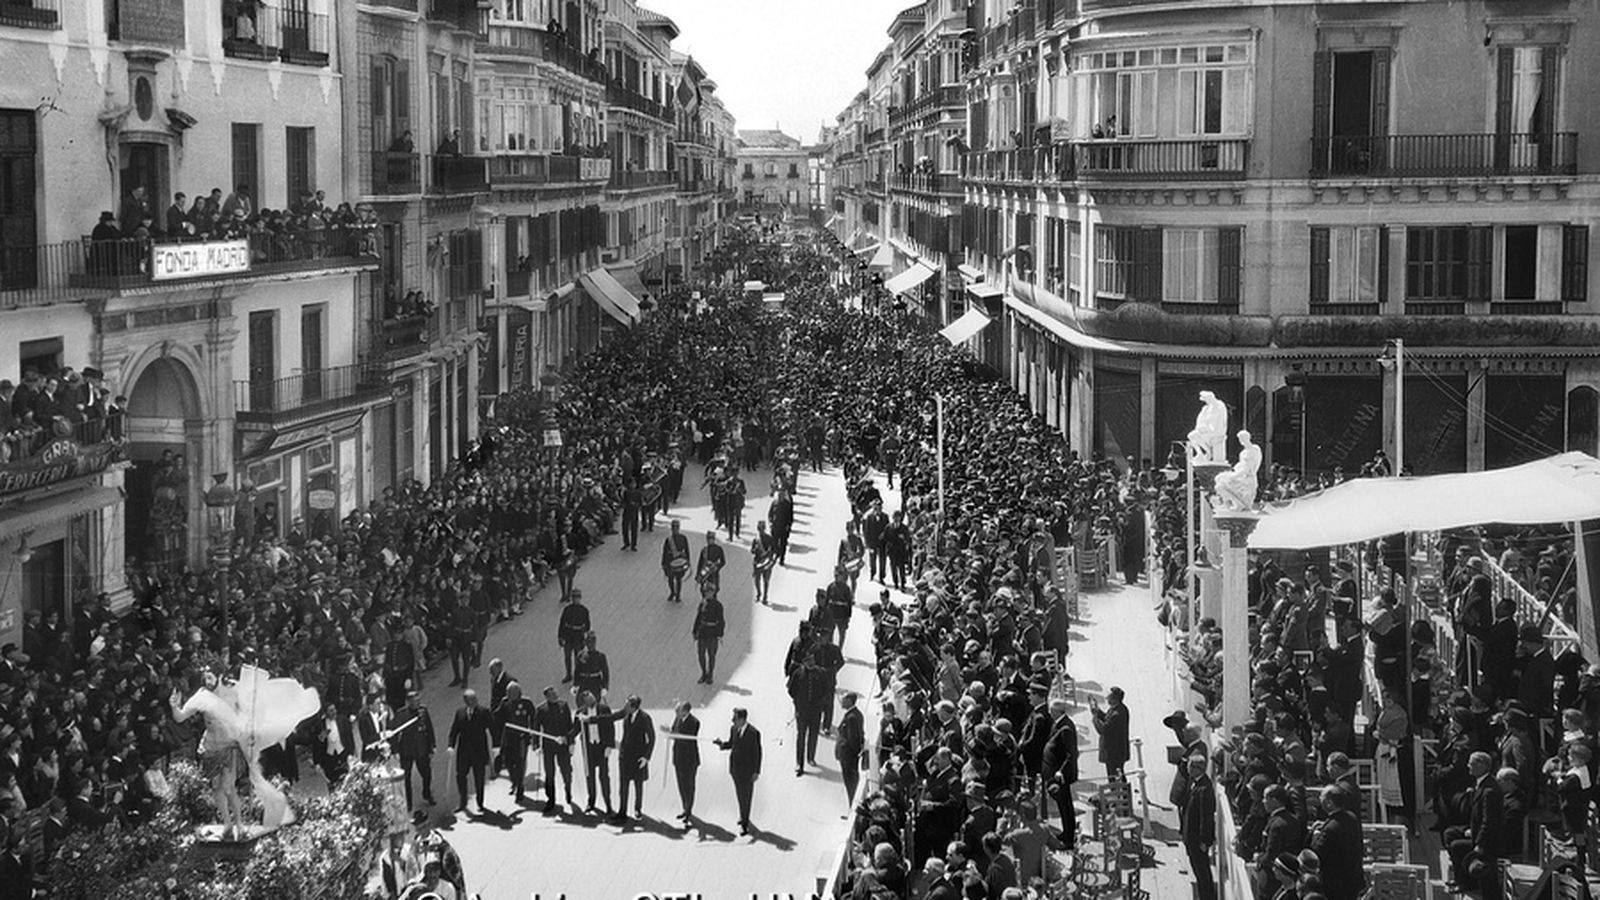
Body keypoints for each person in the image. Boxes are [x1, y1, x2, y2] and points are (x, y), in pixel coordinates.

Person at [714, 707, 762, 835]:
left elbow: (757, 753)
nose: (732, 721)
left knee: (746, 796)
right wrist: (722, 745)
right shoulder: (734, 729)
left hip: (747, 771)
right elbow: (732, 743)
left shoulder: (753, 733)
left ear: (742, 719)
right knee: (740, 794)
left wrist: (756, 771)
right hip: (735, 769)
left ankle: (745, 823)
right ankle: (742, 814)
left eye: (735, 718)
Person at [446, 688, 493, 815]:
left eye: (475, 699)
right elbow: (454, 730)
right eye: (470, 699)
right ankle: (463, 801)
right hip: (464, 753)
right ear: (465, 701)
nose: (473, 701)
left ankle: (480, 803)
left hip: (479, 752)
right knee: (460, 776)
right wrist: (451, 745)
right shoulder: (460, 712)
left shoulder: (483, 712)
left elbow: (493, 728)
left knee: (479, 778)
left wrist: (495, 747)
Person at [1178, 755, 1217, 900]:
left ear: (1197, 769)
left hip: (1197, 839)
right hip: (1190, 836)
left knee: (1202, 872)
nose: (1188, 769)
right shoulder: (1195, 783)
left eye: (1190, 767)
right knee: (1197, 870)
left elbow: (1206, 817)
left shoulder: (1204, 788)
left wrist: (1204, 841)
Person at [1041, 697, 1080, 842]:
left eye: (1051, 710)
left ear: (1057, 711)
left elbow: (1071, 754)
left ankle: (1069, 838)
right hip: (1054, 773)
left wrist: (1061, 771)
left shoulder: (1066, 728)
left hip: (1061, 777)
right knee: (1063, 806)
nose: (1049, 713)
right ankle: (1066, 832)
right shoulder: (1059, 723)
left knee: (1065, 806)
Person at [532, 685, 575, 814]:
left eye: (556, 693)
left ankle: (568, 790)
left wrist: (571, 742)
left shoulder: (564, 705)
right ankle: (551, 800)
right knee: (549, 774)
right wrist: (536, 745)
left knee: (566, 770)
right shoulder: (540, 709)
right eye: (552, 694)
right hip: (549, 746)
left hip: (563, 744)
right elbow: (536, 728)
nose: (556, 696)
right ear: (547, 697)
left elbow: (570, 725)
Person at [612, 694, 655, 822]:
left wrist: (646, 757)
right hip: (625, 757)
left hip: (638, 758)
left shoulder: (645, 718)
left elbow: (651, 738)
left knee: (638, 785)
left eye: (627, 704)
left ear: (633, 707)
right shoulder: (627, 716)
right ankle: (622, 810)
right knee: (623, 786)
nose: (624, 706)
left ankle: (637, 808)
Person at [394, 689, 437, 809]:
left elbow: (429, 728)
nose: (417, 704)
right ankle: (408, 803)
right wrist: (396, 750)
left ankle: (427, 794)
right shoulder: (401, 713)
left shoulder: (423, 710)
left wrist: (432, 746)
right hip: (407, 751)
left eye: (418, 701)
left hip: (422, 750)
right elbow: (396, 732)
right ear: (408, 702)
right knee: (406, 778)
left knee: (427, 774)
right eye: (414, 702)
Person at [574, 689, 615, 815]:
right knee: (589, 776)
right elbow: (575, 730)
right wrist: (567, 739)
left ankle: (608, 803)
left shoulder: (604, 709)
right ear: (584, 703)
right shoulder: (580, 713)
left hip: (601, 748)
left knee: (604, 776)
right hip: (589, 749)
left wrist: (609, 746)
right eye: (589, 700)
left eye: (592, 697)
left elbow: (610, 727)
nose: (592, 700)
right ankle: (591, 802)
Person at [496, 681, 535, 803]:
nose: (508, 694)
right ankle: (514, 781)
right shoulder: (505, 702)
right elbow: (498, 715)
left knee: (520, 762)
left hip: (521, 737)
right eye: (507, 692)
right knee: (508, 762)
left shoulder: (526, 703)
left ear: (517, 692)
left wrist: (533, 732)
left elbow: (534, 717)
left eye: (510, 692)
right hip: (508, 736)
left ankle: (520, 788)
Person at [668, 700, 700, 826]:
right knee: (681, 785)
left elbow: (686, 738)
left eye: (678, 710)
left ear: (686, 711)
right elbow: (673, 732)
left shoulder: (694, 722)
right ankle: (684, 807)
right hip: (678, 757)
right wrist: (669, 732)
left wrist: (674, 734)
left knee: (689, 786)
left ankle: (688, 810)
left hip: (689, 759)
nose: (676, 712)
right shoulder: (677, 719)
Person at [1090, 686, 1130, 780]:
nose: (1107, 699)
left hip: (1113, 752)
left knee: (1113, 776)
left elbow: (1103, 729)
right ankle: (1122, 792)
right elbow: (1107, 719)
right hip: (1117, 751)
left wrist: (1095, 719)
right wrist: (1098, 712)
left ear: (1114, 699)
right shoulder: (1119, 709)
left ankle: (1119, 793)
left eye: (1109, 697)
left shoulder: (1117, 714)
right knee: (1118, 774)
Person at [692, 589, 726, 684]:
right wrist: (695, 631)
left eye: (710, 592)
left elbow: (721, 620)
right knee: (701, 654)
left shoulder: (718, 605)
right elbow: (698, 617)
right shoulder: (702, 604)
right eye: (706, 592)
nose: (708, 594)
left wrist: (720, 633)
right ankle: (703, 673)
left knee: (711, 655)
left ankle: (710, 674)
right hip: (702, 632)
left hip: (712, 632)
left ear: (713, 593)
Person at [837, 691, 865, 803]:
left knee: (850, 783)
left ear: (849, 701)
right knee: (851, 782)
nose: (841, 702)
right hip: (849, 756)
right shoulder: (856, 714)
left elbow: (853, 739)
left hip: (849, 757)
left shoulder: (851, 717)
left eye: (843, 699)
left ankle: (852, 805)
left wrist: (851, 755)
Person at [557, 590, 591, 684]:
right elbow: (562, 623)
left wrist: (585, 639)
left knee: (578, 657)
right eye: (574, 597)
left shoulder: (584, 610)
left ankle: (577, 675)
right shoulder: (567, 609)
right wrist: (560, 636)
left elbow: (587, 626)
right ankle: (568, 674)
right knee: (567, 656)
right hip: (568, 636)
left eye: (577, 597)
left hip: (578, 637)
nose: (576, 599)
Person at [572, 631, 610, 704]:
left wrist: (605, 687)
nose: (590, 645)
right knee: (580, 702)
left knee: (594, 703)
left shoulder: (600, 656)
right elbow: (577, 671)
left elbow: (605, 672)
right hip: (583, 682)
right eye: (588, 642)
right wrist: (575, 684)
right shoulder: (581, 655)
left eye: (592, 642)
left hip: (595, 683)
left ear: (595, 642)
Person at [661, 519, 691, 603]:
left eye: (676, 528)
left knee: (678, 579)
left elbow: (687, 550)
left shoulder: (683, 538)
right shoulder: (668, 539)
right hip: (670, 561)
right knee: (670, 579)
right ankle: (672, 592)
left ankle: (678, 595)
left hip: (680, 561)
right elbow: (665, 551)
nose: (675, 530)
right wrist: (663, 563)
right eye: (673, 528)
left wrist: (688, 561)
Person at [751, 520, 777, 604]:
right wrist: (754, 550)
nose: (760, 531)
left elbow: (775, 550)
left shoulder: (769, 538)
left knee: (766, 580)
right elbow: (752, 550)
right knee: (756, 580)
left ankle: (765, 596)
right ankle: (758, 594)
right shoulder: (756, 539)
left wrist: (773, 561)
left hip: (767, 562)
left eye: (762, 529)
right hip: (758, 562)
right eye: (759, 529)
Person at [696, 530, 725, 598]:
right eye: (708, 538)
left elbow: (723, 561)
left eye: (711, 538)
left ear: (714, 539)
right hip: (704, 574)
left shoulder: (719, 549)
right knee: (704, 591)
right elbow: (700, 563)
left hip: (714, 574)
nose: (709, 540)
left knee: (714, 592)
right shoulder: (704, 550)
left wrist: (716, 567)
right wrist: (698, 575)